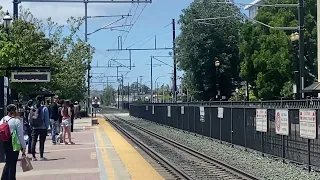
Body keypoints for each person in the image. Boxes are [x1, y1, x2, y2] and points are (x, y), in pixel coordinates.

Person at [0, 104, 26, 180]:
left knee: (8, 161)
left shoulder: (3, 119)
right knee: (13, 163)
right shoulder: (17, 121)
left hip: (5, 141)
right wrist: (23, 147)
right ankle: (12, 178)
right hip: (14, 143)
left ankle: (4, 178)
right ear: (14, 111)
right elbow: (20, 136)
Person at [29, 95, 50, 161]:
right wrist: (47, 126)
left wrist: (31, 125)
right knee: (41, 142)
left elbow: (29, 118)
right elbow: (46, 119)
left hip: (34, 127)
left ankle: (33, 157)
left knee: (33, 141)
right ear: (42, 100)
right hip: (43, 127)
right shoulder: (44, 108)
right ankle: (41, 156)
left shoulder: (33, 108)